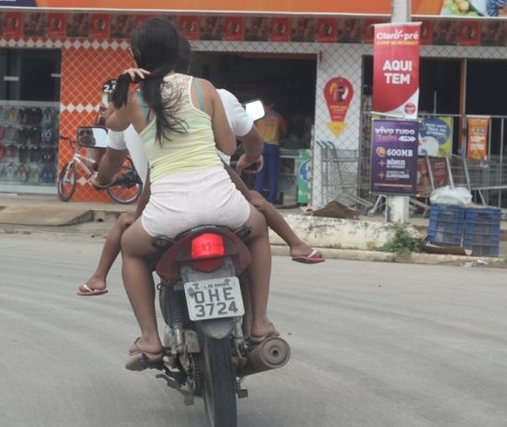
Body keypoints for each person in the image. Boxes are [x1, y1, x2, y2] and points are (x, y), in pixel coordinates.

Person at [77, 45, 324, 298]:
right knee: (257, 211)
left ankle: (105, 284)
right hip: (220, 194)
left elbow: (115, 150)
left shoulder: (134, 105)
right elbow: (234, 148)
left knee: (129, 243)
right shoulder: (209, 93)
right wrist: (246, 160)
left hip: (166, 205)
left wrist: (122, 87)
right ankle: (288, 261)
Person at [103, 17, 278, 370]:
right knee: (259, 230)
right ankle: (259, 322)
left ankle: (150, 338)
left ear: (136, 55)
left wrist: (124, 82)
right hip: (224, 205)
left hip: (166, 215)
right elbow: (227, 145)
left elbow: (110, 123)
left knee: (131, 249)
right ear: (178, 50)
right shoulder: (205, 87)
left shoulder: (133, 98)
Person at [253, 98, 287, 204]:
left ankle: (257, 198)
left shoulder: (258, 116)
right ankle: (271, 199)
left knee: (260, 172)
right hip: (273, 146)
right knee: (273, 174)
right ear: (272, 104)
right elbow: (284, 131)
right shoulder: (278, 117)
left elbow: (252, 131)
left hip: (260, 146)